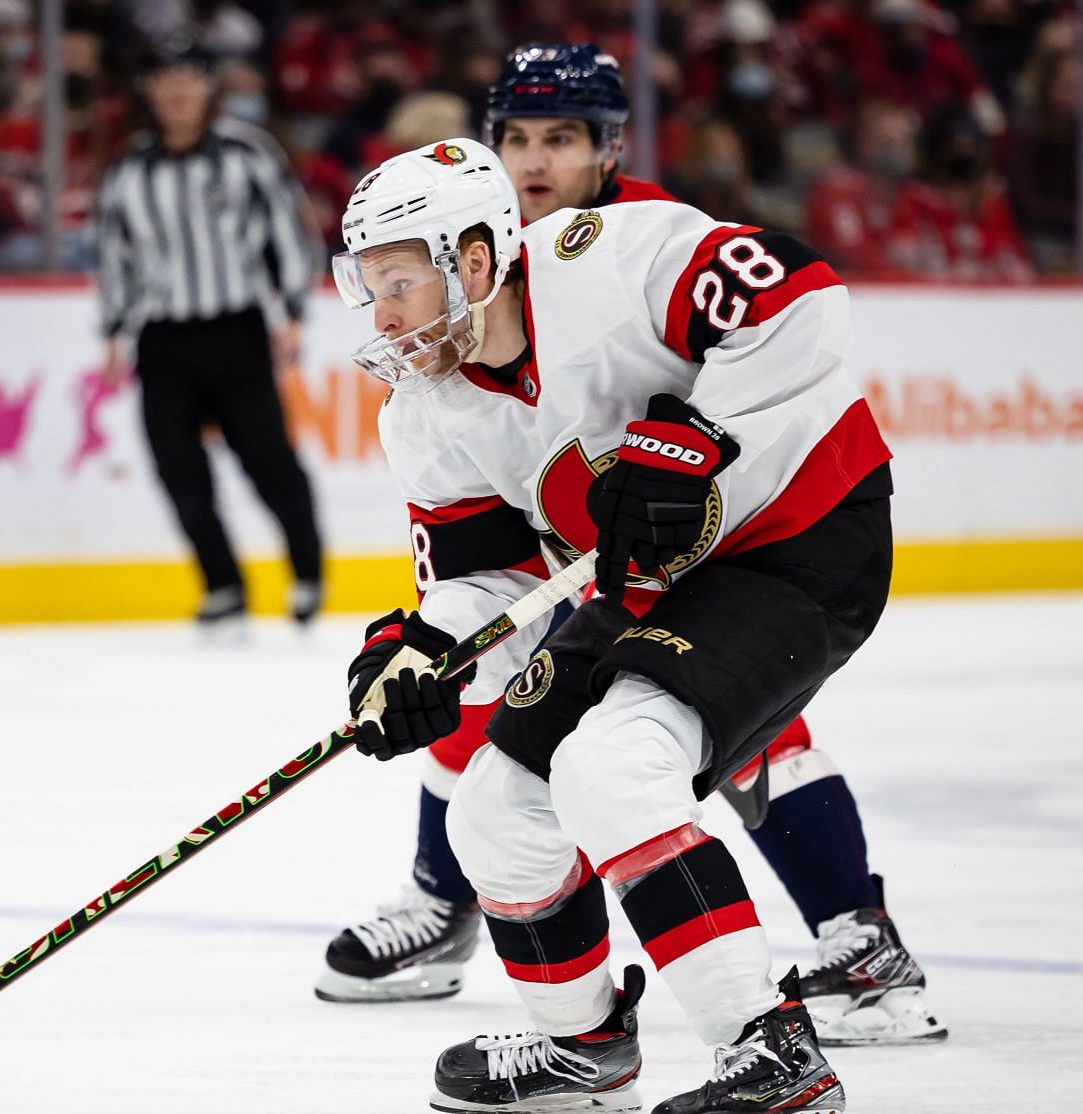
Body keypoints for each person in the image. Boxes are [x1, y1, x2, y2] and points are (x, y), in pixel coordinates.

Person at [316, 45, 944, 1057]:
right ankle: (586, 1042)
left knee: (616, 764)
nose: (379, 317)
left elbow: (801, 293)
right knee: (497, 802)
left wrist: (703, 438)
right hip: (655, 583)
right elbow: (495, 579)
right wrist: (424, 647)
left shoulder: (608, 258)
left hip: (794, 538)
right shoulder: (424, 414)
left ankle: (774, 1063)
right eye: (367, 287)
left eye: (397, 283)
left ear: (474, 260)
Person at [93, 39, 324, 629]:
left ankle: (306, 571)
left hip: (237, 330)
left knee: (267, 460)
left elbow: (288, 233)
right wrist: (115, 330)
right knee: (177, 467)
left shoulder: (247, 156)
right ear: (147, 90)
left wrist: (293, 312)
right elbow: (116, 256)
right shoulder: (128, 170)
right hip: (163, 338)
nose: (176, 90)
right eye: (164, 77)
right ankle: (222, 584)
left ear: (208, 87)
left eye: (189, 77)